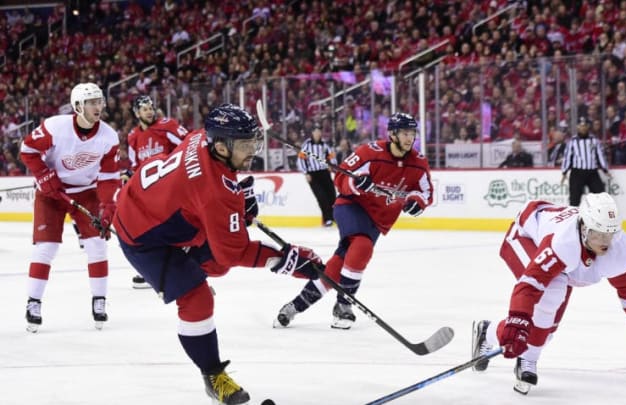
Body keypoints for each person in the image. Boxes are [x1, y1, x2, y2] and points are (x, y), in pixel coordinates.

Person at [113, 103, 322, 405]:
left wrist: (238, 200)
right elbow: (233, 251)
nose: (252, 150)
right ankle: (213, 376)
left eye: (253, 142)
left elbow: (210, 185)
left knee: (216, 266)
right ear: (222, 147)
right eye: (245, 145)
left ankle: (186, 274)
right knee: (198, 298)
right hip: (143, 236)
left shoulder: (203, 138)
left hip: (156, 206)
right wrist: (286, 259)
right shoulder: (213, 191)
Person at [471, 193, 626, 397]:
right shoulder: (563, 242)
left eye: (610, 233)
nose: (605, 241)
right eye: (597, 233)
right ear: (583, 228)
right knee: (549, 296)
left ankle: (487, 332)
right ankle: (528, 359)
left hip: (566, 264)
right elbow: (529, 286)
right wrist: (518, 320)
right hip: (526, 237)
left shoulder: (622, 252)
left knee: (546, 330)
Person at [272, 112, 433, 330]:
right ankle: (343, 305)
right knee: (362, 245)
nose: (409, 138)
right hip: (351, 206)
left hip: (379, 220)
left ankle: (294, 307)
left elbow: (426, 192)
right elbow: (341, 177)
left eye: (412, 133)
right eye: (404, 133)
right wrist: (358, 184)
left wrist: (417, 202)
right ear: (393, 134)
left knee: (338, 266)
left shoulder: (418, 162)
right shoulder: (370, 152)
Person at [19, 82, 120, 332]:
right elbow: (27, 150)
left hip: (86, 192)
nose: (99, 106)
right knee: (46, 247)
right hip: (51, 194)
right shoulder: (56, 127)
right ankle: (33, 302)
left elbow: (108, 178)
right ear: (78, 106)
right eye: (92, 102)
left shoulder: (108, 136)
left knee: (97, 244)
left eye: (100, 101)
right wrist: (44, 176)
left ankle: (99, 300)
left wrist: (108, 208)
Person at [126, 95, 189, 289]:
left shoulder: (166, 126)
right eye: (145, 109)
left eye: (151, 107)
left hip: (171, 187)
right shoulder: (133, 137)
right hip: (150, 191)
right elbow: (134, 165)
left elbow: (190, 143)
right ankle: (154, 268)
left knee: (172, 226)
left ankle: (180, 265)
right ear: (137, 113)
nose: (150, 111)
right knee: (149, 229)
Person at [560, 116, 611, 206]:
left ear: (588, 127)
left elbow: (600, 155)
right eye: (581, 125)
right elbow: (567, 157)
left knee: (600, 196)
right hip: (577, 173)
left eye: (585, 125)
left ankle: (599, 218)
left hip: (592, 172)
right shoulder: (572, 141)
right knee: (574, 199)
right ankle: (574, 219)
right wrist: (564, 172)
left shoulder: (594, 140)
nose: (583, 128)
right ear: (577, 127)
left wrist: (605, 169)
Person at [298, 122, 337, 227]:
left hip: (324, 173)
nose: (318, 133)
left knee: (331, 195)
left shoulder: (325, 145)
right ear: (312, 132)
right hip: (313, 175)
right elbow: (301, 159)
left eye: (319, 131)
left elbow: (331, 156)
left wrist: (332, 165)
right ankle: (327, 219)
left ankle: (335, 217)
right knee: (321, 197)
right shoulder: (306, 145)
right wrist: (305, 173)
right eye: (316, 131)